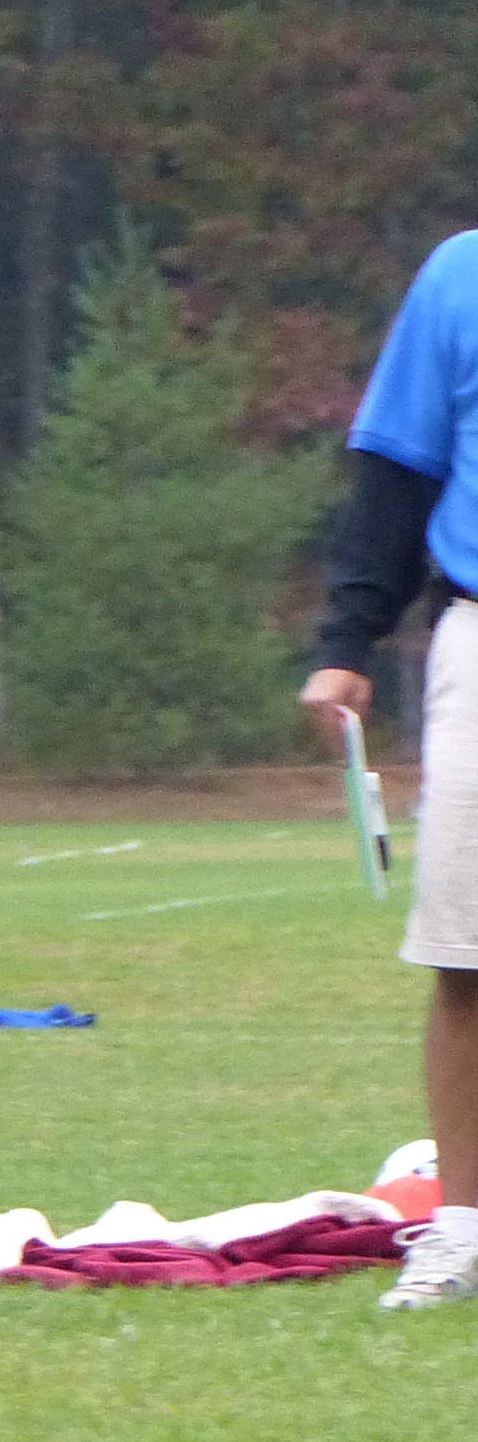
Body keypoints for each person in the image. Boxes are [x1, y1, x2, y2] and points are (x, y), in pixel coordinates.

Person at [304, 227, 478, 1311]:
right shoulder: (461, 273)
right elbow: (396, 473)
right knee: (468, 958)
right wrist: (346, 643)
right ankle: (460, 1227)